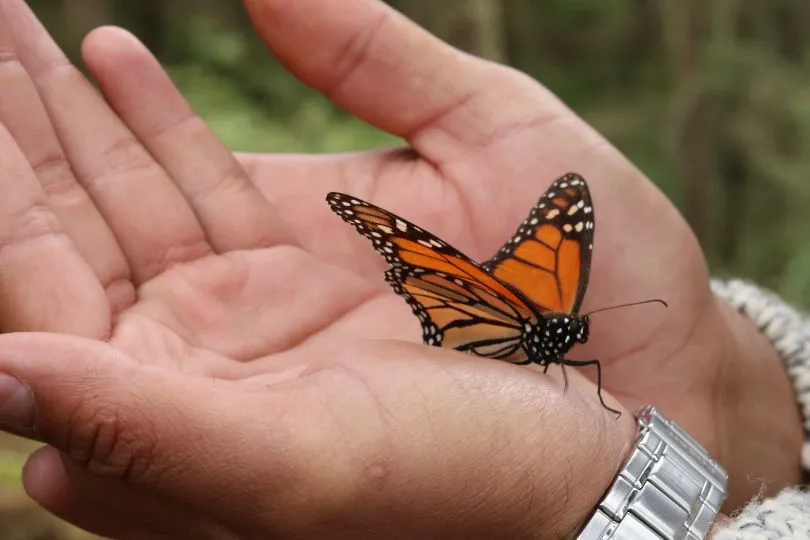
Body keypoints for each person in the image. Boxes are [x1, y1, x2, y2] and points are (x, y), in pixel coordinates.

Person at [0, 0, 805, 537]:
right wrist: (742, 394)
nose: (577, 333)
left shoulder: (555, 332)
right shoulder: (530, 316)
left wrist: (668, 425)